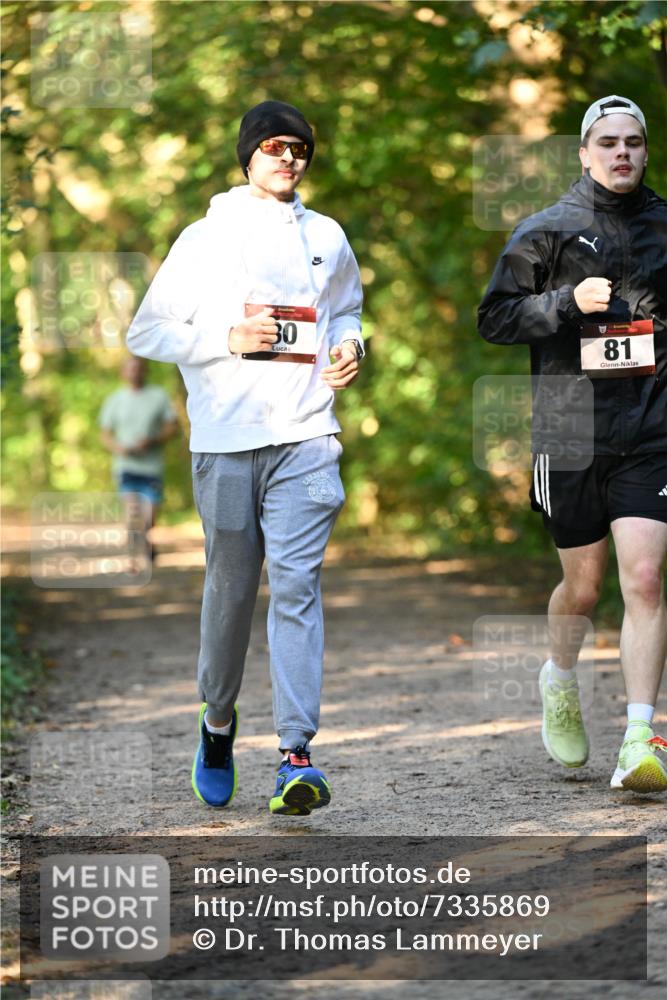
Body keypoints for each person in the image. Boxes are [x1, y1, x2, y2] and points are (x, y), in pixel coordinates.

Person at [126, 100, 363, 815]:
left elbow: (345, 308)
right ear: (248, 155)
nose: (287, 157)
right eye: (273, 146)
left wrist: (352, 345)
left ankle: (296, 754)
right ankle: (218, 722)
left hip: (306, 437)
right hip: (226, 443)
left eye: (299, 148)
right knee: (230, 596)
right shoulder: (205, 239)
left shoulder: (325, 235)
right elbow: (147, 331)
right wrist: (224, 339)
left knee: (297, 588)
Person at [478, 96, 667, 793]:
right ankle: (558, 677)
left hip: (651, 429)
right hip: (569, 432)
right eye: (607, 142)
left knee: (643, 578)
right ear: (584, 154)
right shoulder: (545, 232)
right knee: (582, 590)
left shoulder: (664, 227)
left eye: (633, 142)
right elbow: (493, 318)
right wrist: (563, 304)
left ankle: (638, 738)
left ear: (645, 152)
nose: (621, 153)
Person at [99, 355, 178, 568]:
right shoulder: (115, 400)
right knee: (132, 513)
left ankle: (145, 541)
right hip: (125, 466)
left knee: (149, 516)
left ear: (145, 371)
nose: (134, 372)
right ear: (123, 372)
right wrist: (119, 448)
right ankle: (133, 558)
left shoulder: (158, 396)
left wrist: (153, 440)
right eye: (130, 368)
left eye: (138, 368)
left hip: (152, 467)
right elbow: (105, 434)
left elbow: (173, 426)